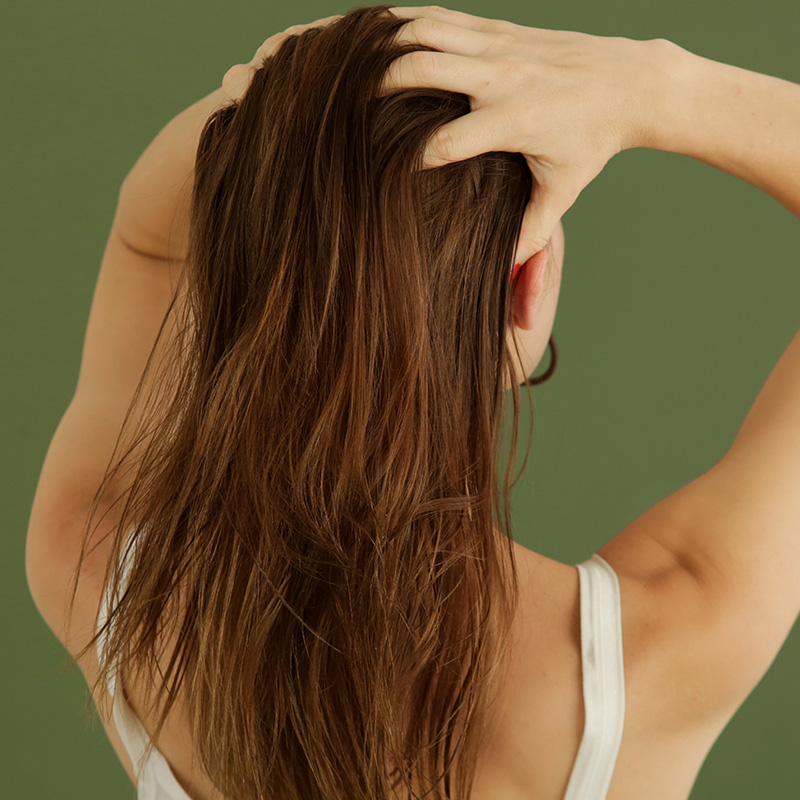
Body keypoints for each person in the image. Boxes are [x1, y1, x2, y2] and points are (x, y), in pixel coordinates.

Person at [24, 4, 800, 800]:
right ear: (526, 288)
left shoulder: (104, 575)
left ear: (237, 276)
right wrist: (656, 85)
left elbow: (147, 239)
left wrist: (287, 104)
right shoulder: (652, 657)